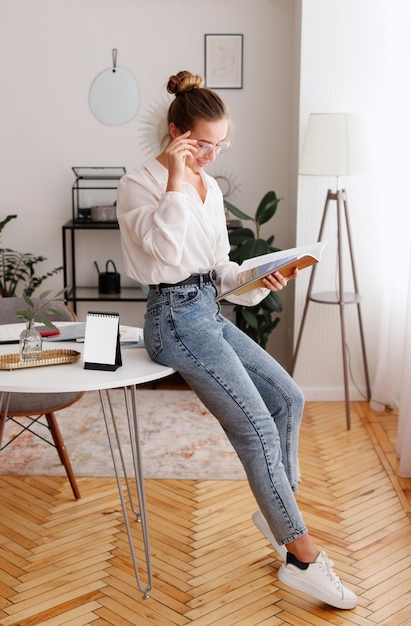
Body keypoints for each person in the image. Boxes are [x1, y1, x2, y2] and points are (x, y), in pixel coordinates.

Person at [117, 70, 357, 610]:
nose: (210, 157)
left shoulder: (209, 187)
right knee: (256, 431)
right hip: (173, 319)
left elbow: (218, 267)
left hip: (207, 308)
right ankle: (302, 557)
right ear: (175, 132)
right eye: (200, 145)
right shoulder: (140, 184)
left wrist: (258, 280)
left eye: (219, 146)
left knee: (287, 399)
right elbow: (163, 250)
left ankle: (277, 511)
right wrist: (177, 175)